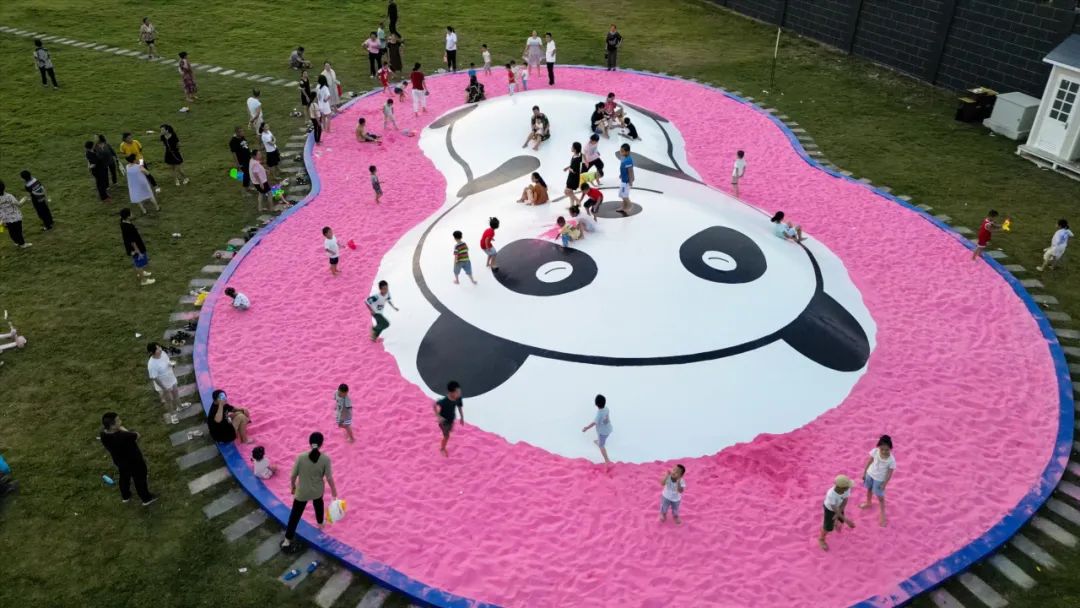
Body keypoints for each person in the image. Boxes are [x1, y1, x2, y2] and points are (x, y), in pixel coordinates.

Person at [280, 432, 338, 553]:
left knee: (295, 516)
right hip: (317, 491)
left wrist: (293, 487)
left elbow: (293, 475)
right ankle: (320, 523)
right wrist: (334, 491)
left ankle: (287, 540)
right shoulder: (325, 459)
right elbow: (329, 478)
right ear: (321, 444)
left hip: (302, 492)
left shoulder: (301, 457)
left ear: (310, 443)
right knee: (318, 504)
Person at [99, 412, 157, 506]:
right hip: (134, 461)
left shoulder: (103, 434)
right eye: (118, 421)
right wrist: (123, 429)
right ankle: (146, 499)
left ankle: (125, 496)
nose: (121, 422)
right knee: (140, 479)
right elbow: (136, 435)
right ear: (112, 426)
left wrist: (119, 429)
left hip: (119, 461)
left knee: (124, 477)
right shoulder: (123, 436)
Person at [858, 435, 896, 527]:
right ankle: (868, 503)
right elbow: (869, 461)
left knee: (880, 498)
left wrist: (884, 484)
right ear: (878, 447)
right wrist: (864, 472)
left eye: (887, 450)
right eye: (882, 449)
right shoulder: (875, 451)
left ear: (890, 449)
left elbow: (889, 474)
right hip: (870, 474)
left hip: (879, 480)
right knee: (869, 489)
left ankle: (883, 515)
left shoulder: (891, 460)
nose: (884, 451)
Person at [819, 475, 856, 551]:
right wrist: (847, 521)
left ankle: (836, 523)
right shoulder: (831, 494)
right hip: (829, 509)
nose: (849, 488)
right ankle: (821, 539)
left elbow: (845, 500)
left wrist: (838, 514)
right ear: (840, 488)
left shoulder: (846, 489)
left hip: (839, 507)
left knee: (840, 520)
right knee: (827, 527)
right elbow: (834, 508)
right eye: (847, 487)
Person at [120, 209, 153, 285]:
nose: (132, 214)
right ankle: (144, 281)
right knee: (139, 264)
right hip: (135, 247)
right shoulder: (128, 227)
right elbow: (132, 242)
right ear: (128, 216)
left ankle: (141, 273)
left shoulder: (123, 222)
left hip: (133, 246)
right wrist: (138, 252)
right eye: (131, 213)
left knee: (138, 263)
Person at [146, 342, 180, 411]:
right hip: (163, 385)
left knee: (176, 395)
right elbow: (155, 378)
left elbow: (167, 362)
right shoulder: (151, 365)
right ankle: (172, 414)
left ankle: (180, 407)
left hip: (171, 379)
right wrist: (164, 388)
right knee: (168, 400)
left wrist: (171, 365)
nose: (160, 349)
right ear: (152, 352)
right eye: (157, 349)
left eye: (159, 347)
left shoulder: (163, 353)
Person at [581, 394, 613, 467]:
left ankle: (607, 460)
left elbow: (594, 423)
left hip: (603, 432)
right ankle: (599, 441)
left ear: (596, 404)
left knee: (601, 446)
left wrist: (586, 428)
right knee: (602, 438)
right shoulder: (607, 408)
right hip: (609, 428)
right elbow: (607, 417)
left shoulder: (599, 414)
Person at [434, 381, 464, 457]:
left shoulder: (458, 398)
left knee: (449, 430)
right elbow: (434, 405)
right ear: (451, 393)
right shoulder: (444, 401)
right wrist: (438, 416)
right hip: (444, 421)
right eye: (457, 392)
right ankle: (442, 448)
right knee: (447, 436)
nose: (459, 393)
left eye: (459, 391)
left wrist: (462, 417)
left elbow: (459, 407)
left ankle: (447, 432)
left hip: (451, 420)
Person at [0, 182, 30, 249]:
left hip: (6, 219)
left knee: (11, 231)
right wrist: (24, 199)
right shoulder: (9, 196)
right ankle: (22, 244)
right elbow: (19, 204)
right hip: (15, 218)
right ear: (4, 187)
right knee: (18, 231)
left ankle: (16, 242)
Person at [564, 142, 584, 206]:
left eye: (572, 147)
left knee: (566, 192)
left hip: (573, 178)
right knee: (570, 192)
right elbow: (572, 165)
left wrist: (569, 169)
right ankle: (572, 206)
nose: (571, 148)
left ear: (575, 149)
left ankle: (577, 201)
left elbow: (574, 171)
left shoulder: (577, 159)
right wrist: (567, 168)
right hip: (571, 176)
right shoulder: (575, 156)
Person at [617, 143, 634, 215]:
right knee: (621, 194)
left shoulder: (628, 160)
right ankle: (623, 206)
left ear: (627, 152)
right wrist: (621, 174)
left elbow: (630, 171)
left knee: (625, 195)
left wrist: (630, 181)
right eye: (620, 151)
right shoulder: (623, 158)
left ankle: (630, 206)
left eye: (622, 151)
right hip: (623, 180)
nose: (621, 152)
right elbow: (623, 167)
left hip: (627, 181)